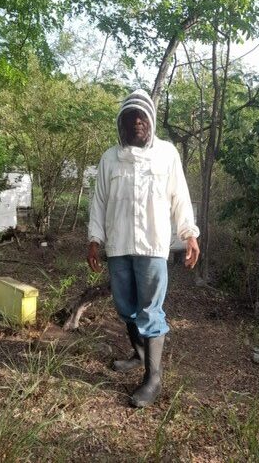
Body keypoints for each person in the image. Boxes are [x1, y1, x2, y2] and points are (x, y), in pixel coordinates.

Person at [87, 89, 200, 408]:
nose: (136, 121)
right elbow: (99, 201)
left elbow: (180, 196)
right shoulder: (109, 158)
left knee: (150, 310)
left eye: (142, 116)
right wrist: (94, 238)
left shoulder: (167, 154)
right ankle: (139, 354)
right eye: (129, 117)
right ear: (120, 124)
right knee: (125, 308)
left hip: (152, 245)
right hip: (119, 245)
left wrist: (189, 233)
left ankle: (153, 379)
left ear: (150, 121)